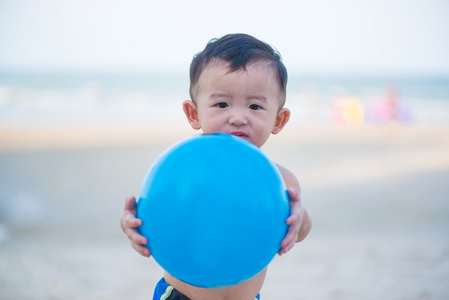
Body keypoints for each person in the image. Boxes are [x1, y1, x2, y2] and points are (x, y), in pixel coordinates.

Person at [120, 33, 312, 300]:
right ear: (194, 114)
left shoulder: (280, 181)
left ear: (279, 120)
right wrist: (130, 223)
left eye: (255, 106)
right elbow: (152, 211)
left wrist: (300, 219)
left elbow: (299, 229)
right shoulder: (183, 170)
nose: (238, 117)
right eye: (221, 104)